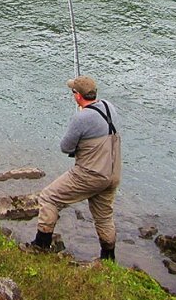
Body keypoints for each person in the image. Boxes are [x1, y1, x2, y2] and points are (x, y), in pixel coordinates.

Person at [30, 75, 122, 261]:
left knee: (49, 197)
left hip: (90, 174)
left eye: (73, 91)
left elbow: (66, 147)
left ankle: (40, 246)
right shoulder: (109, 107)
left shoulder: (81, 117)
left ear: (77, 95)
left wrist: (80, 115)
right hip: (112, 175)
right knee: (104, 217)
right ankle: (108, 259)